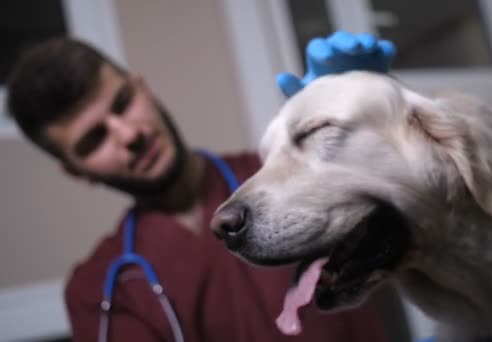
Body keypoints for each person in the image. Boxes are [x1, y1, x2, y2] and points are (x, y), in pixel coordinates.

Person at [6, 32, 398, 341]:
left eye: (123, 102)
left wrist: (379, 119)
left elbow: (417, 204)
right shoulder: (100, 293)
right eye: (94, 140)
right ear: (78, 172)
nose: (128, 135)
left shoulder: (293, 169)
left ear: (144, 87)